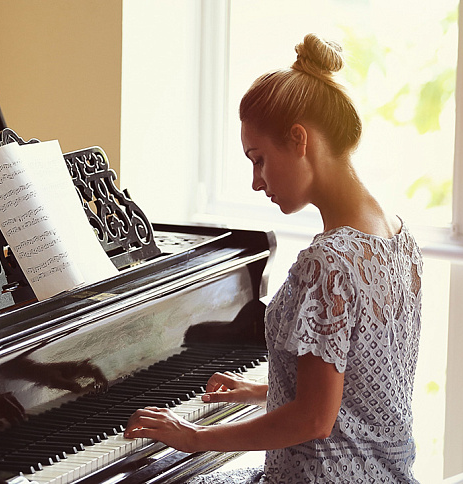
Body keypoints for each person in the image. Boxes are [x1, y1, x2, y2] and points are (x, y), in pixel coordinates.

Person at [124, 33, 423, 483]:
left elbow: (313, 421)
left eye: (259, 159)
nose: (256, 182)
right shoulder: (400, 238)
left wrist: (193, 437)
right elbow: (352, 390)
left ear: (299, 139)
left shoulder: (330, 262)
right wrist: (261, 391)